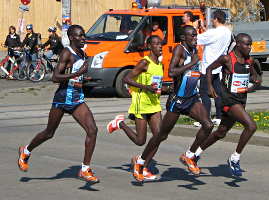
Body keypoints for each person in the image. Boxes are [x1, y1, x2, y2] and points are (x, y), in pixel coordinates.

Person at [131, 26, 214, 182]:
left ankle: (189, 155)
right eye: (193, 35)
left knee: (208, 125)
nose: (196, 38)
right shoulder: (179, 50)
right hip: (178, 100)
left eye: (196, 35)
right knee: (161, 135)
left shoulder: (194, 50)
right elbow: (172, 72)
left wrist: (207, 85)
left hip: (192, 97)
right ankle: (140, 161)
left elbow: (194, 73)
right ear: (183, 37)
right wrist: (192, 64)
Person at [17, 25, 99, 183]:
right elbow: (55, 77)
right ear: (72, 37)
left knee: (92, 130)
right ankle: (26, 151)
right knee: (49, 133)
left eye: (84, 35)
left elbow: (74, 74)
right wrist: (78, 74)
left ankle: (85, 169)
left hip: (76, 98)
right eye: (80, 35)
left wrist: (83, 79)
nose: (83, 38)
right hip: (62, 98)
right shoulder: (66, 52)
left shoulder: (82, 52)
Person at [192, 33, 261, 177]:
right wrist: (210, 86)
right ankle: (234, 158)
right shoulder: (227, 58)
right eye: (247, 44)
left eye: (250, 44)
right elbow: (209, 69)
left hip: (241, 100)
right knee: (251, 126)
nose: (249, 47)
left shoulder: (249, 60)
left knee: (221, 132)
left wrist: (252, 86)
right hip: (229, 100)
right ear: (238, 44)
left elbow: (256, 79)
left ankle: (195, 155)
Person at [106, 35, 168, 181]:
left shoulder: (160, 64)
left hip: (154, 103)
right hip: (141, 103)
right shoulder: (144, 63)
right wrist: (146, 87)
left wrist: (162, 89)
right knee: (140, 141)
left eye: (161, 44)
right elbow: (127, 79)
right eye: (157, 44)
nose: (160, 46)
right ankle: (119, 123)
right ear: (150, 46)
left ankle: (142, 166)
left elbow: (156, 84)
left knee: (159, 137)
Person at [194, 9, 232, 126]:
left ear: (215, 19)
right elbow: (210, 37)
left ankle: (205, 118)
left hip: (207, 67)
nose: (211, 21)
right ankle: (219, 117)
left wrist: (195, 28)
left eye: (212, 19)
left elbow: (196, 39)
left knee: (204, 93)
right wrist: (204, 29)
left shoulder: (213, 33)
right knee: (217, 93)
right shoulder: (227, 32)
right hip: (218, 66)